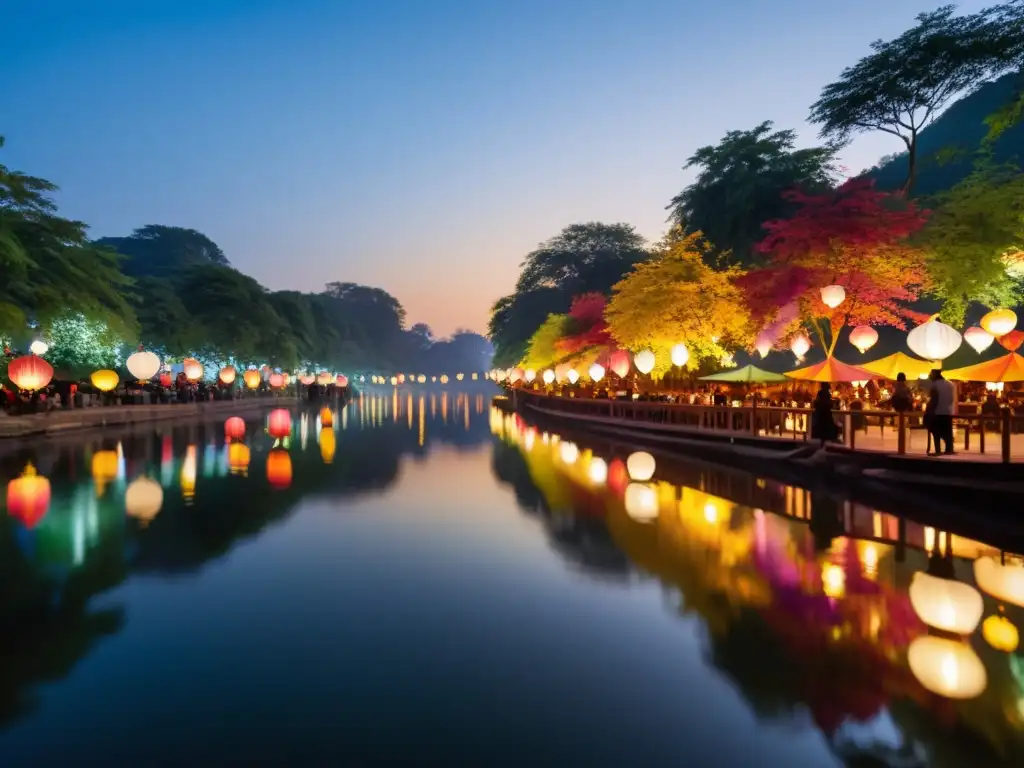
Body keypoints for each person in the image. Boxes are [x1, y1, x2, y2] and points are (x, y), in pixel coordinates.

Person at [928, 368, 956, 455]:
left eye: (931, 374)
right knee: (947, 431)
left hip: (937, 411)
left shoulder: (934, 385)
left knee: (936, 432)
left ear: (934, 375)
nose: (929, 376)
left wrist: (930, 411)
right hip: (948, 411)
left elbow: (934, 400)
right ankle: (949, 449)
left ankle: (938, 450)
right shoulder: (950, 384)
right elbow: (952, 399)